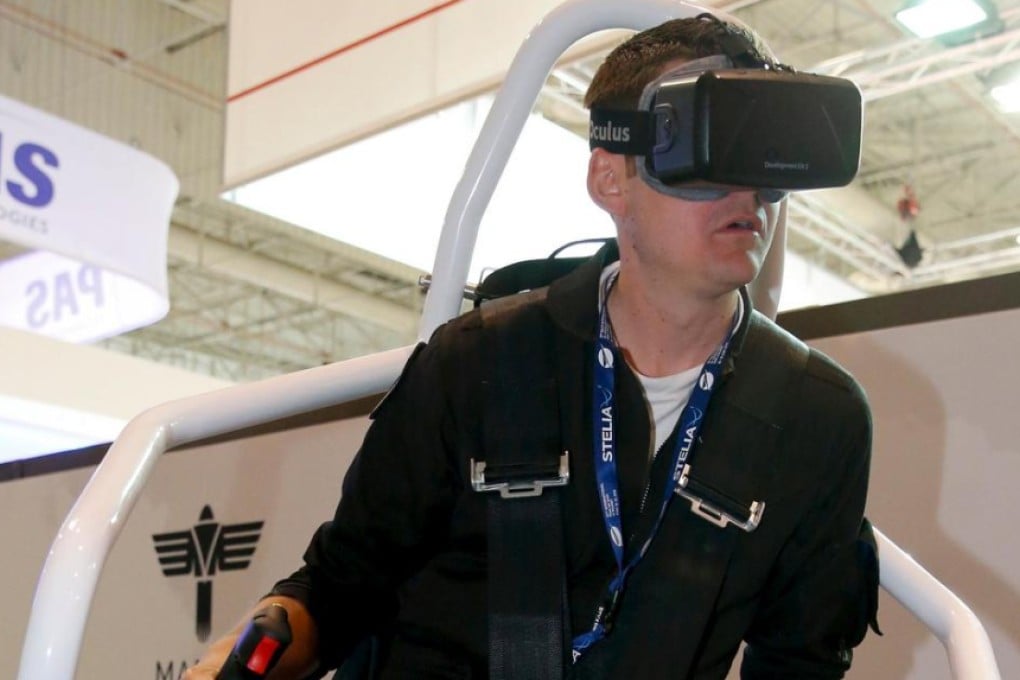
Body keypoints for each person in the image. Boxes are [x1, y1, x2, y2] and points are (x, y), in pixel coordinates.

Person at [187, 14, 877, 680]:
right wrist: (250, 655)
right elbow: (337, 590)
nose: (747, 193)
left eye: (762, 160)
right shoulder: (478, 363)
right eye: (707, 150)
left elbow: (799, 663)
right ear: (611, 178)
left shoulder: (817, 419)